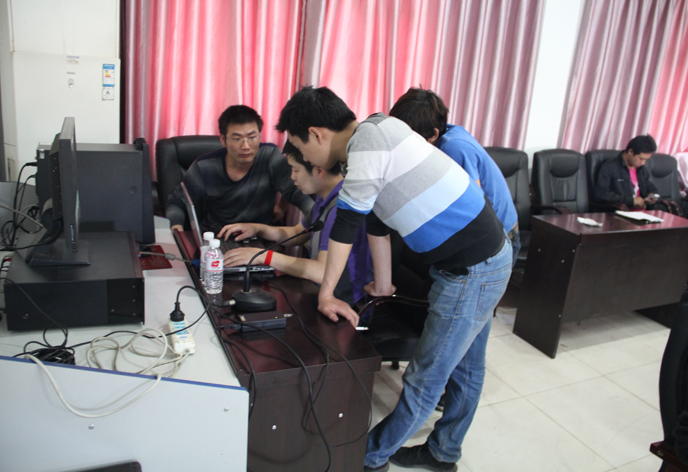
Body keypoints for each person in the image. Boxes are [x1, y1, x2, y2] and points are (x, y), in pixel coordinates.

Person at [277, 86, 512, 472]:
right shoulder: (376, 130)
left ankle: (369, 459)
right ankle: (443, 453)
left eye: (301, 147)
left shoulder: (367, 145)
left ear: (316, 134)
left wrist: (326, 294)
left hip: (473, 269)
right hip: (482, 260)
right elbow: (376, 220)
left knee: (425, 377)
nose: (304, 158)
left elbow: (347, 224)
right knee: (466, 368)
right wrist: (383, 283)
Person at [217, 142, 373, 306]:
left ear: (319, 170)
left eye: (296, 170)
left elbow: (322, 272)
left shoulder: (340, 209)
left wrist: (264, 256)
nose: (292, 177)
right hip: (322, 295)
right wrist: (257, 229)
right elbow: (297, 233)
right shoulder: (325, 196)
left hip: (344, 305)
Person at [389, 87, 520, 264]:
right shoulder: (445, 134)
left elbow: (473, 209)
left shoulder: (454, 148)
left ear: (433, 134)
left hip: (496, 243)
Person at [165, 105, 314, 233]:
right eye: (237, 139)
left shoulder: (270, 157)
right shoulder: (205, 166)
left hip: (260, 237)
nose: (246, 146)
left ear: (259, 137)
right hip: (218, 236)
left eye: (251, 137)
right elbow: (176, 202)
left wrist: (312, 214)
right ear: (223, 140)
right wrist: (177, 229)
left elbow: (294, 191)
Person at [593, 135, 660, 209]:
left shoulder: (642, 169)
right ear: (630, 152)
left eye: (645, 160)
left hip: (643, 212)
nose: (643, 163)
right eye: (641, 159)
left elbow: (651, 187)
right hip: (620, 211)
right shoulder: (609, 167)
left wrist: (653, 196)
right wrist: (631, 201)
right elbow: (601, 194)